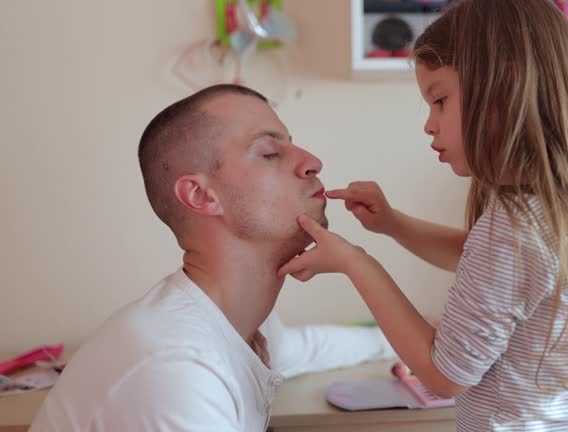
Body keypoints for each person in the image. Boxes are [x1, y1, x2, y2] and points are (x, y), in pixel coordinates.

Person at [277, 0, 568, 430]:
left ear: (502, 90)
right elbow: (480, 261)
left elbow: (443, 375)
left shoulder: (513, 227)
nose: (429, 125)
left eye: (439, 101)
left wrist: (354, 262)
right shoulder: (549, 208)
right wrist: (393, 223)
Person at [30, 84, 394, 432]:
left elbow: (308, 348)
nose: (313, 162)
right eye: (269, 153)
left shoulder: (247, 326)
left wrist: (421, 340)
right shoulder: (176, 368)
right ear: (201, 196)